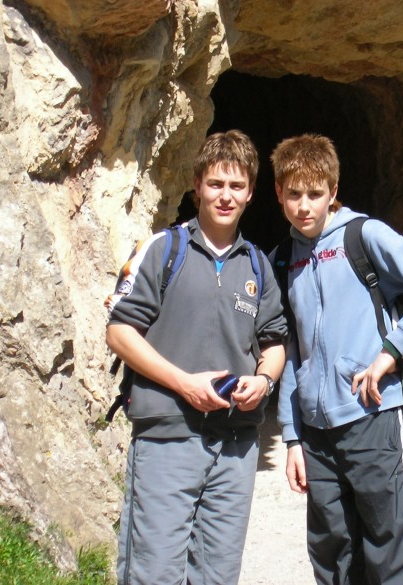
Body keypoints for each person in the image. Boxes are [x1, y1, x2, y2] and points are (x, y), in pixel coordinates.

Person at [271, 134, 403, 585]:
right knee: (334, 558)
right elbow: (291, 351)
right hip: (315, 434)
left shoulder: (363, 236)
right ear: (278, 193)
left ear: (333, 191)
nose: (304, 206)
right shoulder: (282, 260)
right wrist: (292, 437)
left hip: (373, 414)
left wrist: (391, 351)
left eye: (315, 194)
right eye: (294, 194)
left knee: (395, 550)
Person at [104, 130, 287, 585]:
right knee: (154, 573)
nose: (226, 196)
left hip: (235, 445)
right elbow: (120, 332)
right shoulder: (163, 250)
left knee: (217, 575)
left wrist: (264, 382)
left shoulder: (258, 266)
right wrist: (184, 384)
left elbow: (274, 344)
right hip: (167, 437)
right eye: (216, 184)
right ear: (197, 185)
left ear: (251, 193)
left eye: (237, 186)